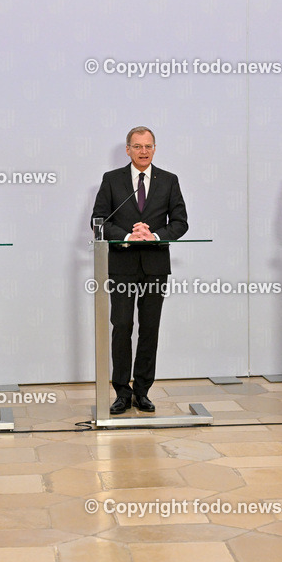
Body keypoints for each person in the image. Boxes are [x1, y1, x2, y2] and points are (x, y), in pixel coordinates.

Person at [91, 126, 189, 415]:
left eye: (148, 146)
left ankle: (142, 391)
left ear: (155, 149)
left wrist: (154, 234)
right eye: (137, 146)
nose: (143, 151)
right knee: (122, 327)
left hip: (155, 266)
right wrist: (126, 235)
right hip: (122, 266)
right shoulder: (112, 180)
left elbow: (181, 222)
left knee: (149, 329)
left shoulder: (169, 181)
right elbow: (98, 220)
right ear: (128, 149)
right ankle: (122, 391)